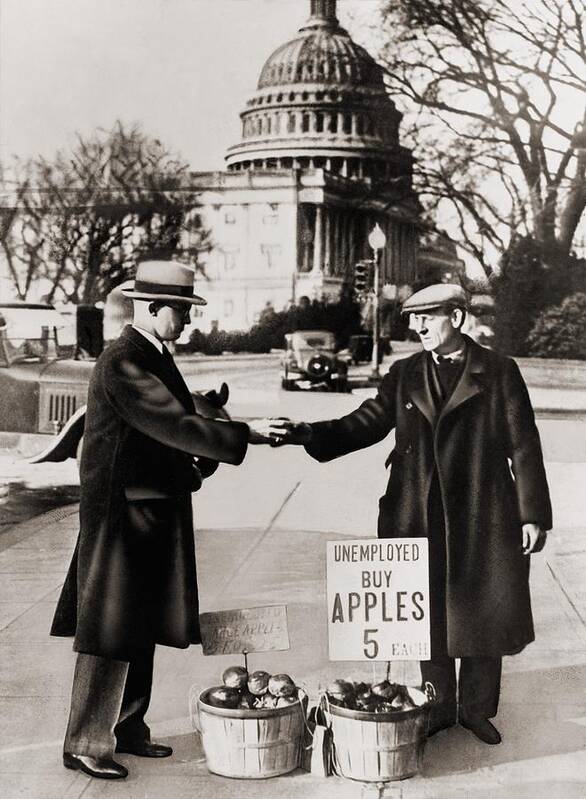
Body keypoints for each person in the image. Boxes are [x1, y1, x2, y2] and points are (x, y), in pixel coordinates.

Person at [271, 283, 552, 746]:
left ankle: (478, 710)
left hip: (484, 510)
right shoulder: (404, 373)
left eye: (428, 317)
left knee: (481, 609)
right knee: (426, 614)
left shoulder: (500, 372)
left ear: (457, 319)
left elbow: (524, 444)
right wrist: (306, 432)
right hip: (415, 511)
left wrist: (532, 514)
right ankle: (438, 707)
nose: (417, 327)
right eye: (412, 318)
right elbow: (365, 422)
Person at [51, 258, 274, 780]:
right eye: (182, 311)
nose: (189, 322)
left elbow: (166, 429)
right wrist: (247, 434)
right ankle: (85, 741)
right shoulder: (124, 360)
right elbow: (174, 423)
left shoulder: (148, 354)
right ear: (153, 309)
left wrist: (200, 457)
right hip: (121, 518)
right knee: (108, 629)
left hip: (146, 508)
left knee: (140, 621)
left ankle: (128, 727)